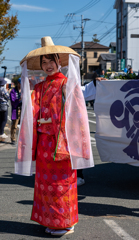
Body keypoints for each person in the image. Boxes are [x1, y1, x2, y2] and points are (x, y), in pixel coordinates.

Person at [16, 36, 94, 236]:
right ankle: (50, 220)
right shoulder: (40, 87)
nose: (48, 65)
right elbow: (33, 113)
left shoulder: (67, 84)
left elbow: (76, 116)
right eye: (44, 62)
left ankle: (65, 223)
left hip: (62, 143)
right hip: (44, 145)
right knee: (45, 185)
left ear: (59, 61)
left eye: (52, 61)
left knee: (62, 185)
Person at [10, 78, 22, 145]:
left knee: (24, 125)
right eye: (21, 83)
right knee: (15, 125)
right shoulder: (13, 91)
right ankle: (13, 139)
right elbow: (13, 101)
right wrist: (20, 98)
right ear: (18, 83)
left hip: (23, 109)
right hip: (16, 109)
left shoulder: (24, 90)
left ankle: (22, 139)